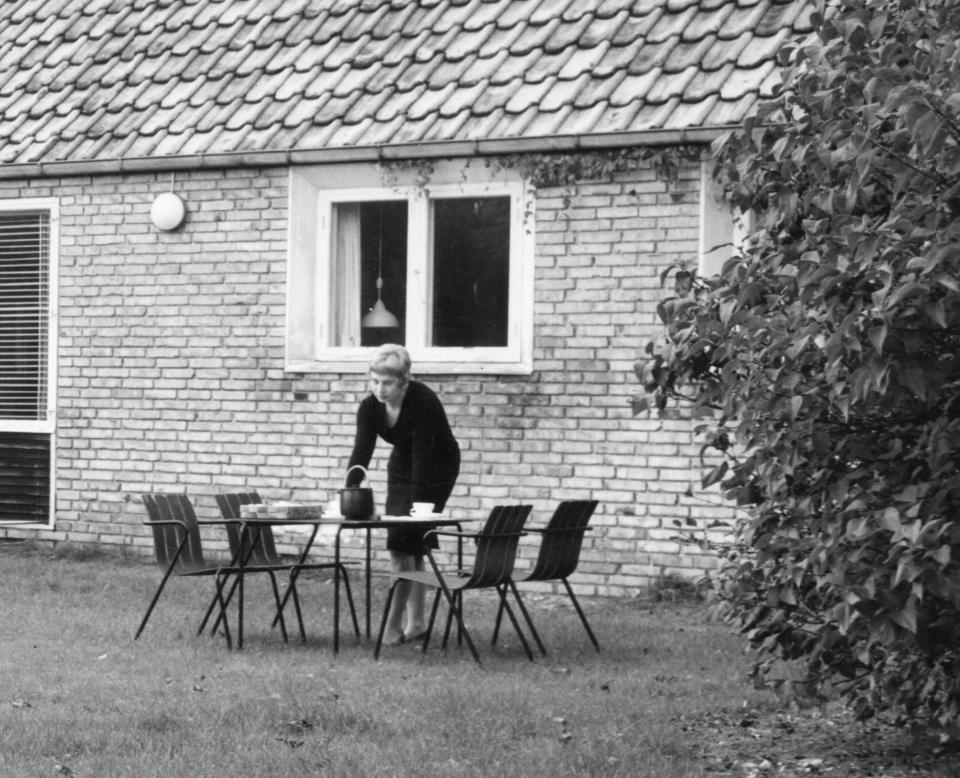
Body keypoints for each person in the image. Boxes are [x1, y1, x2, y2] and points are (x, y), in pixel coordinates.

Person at [346, 343, 460, 646]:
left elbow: (424, 458)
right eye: (374, 381)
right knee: (408, 547)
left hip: (437, 466)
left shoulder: (423, 400)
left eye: (387, 383)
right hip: (401, 465)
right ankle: (418, 622)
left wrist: (415, 514)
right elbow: (362, 451)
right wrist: (349, 492)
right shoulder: (370, 406)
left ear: (404, 380)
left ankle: (392, 627)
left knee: (402, 543)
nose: (379, 389)